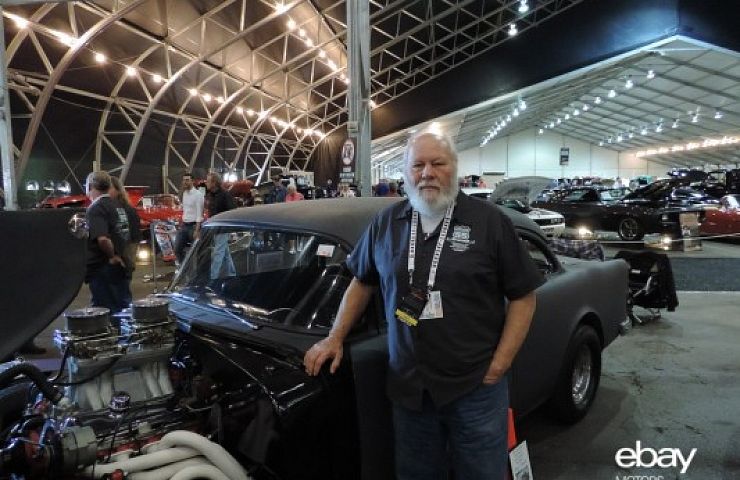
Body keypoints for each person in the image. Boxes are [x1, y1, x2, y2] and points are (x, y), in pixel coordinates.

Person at [303, 132, 543, 480]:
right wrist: (335, 336)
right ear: (406, 173)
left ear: (454, 169)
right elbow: (362, 280)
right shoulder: (386, 224)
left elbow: (524, 295)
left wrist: (499, 364)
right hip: (410, 389)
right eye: (418, 165)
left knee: (481, 473)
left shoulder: (489, 222)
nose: (427, 172)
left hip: (475, 387)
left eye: (437, 163)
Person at [85, 170, 132, 313]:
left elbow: (103, 238)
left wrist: (112, 256)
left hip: (104, 267)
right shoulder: (118, 206)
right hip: (122, 265)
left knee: (105, 311)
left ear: (91, 186)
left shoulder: (96, 208)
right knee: (123, 308)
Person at [110, 176, 142, 306]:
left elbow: (131, 233)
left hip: (127, 246)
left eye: (109, 188)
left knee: (124, 278)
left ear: (117, 190)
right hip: (125, 245)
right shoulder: (118, 207)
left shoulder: (125, 209)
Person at [205, 172, 236, 280]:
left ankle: (213, 278)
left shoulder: (225, 194)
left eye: (208, 181)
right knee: (224, 252)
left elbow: (232, 211)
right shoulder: (210, 195)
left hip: (223, 228)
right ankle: (232, 274)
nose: (206, 182)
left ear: (214, 182)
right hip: (215, 228)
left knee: (218, 253)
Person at [174, 172, 204, 265]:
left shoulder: (198, 195)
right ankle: (184, 269)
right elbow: (185, 210)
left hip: (194, 227)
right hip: (184, 226)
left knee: (196, 252)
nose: (185, 182)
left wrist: (197, 230)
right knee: (177, 249)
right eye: (183, 180)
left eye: (187, 180)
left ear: (192, 181)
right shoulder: (184, 194)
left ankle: (196, 273)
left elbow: (200, 213)